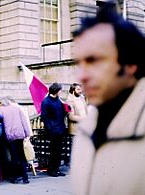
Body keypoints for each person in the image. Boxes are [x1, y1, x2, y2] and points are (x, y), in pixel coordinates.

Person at [71, 3, 145, 195]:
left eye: (94, 60)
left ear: (130, 64)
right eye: (78, 63)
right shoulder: (87, 130)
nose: (81, 76)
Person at [0, 97, 31, 184]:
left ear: (1, 103)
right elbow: (24, 121)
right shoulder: (17, 108)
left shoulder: (1, 110)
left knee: (14, 157)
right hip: (20, 135)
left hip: (10, 136)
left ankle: (14, 177)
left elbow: (1, 124)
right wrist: (27, 133)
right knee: (22, 156)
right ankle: (25, 178)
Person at [40, 82, 68, 177]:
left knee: (59, 151)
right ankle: (51, 170)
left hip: (60, 128)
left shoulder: (58, 100)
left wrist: (66, 109)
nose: (61, 92)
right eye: (60, 90)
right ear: (56, 91)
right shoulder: (46, 101)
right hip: (53, 130)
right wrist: (50, 128)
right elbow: (44, 117)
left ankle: (57, 169)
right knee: (53, 151)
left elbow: (62, 113)